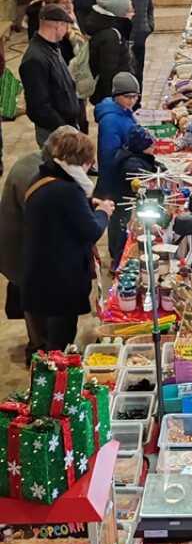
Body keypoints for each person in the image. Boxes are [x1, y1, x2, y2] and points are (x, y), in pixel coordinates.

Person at [23, 129, 114, 350]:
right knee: (60, 340)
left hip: (39, 274)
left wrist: (86, 207)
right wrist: (103, 212)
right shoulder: (67, 191)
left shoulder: (43, 178)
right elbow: (91, 230)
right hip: (59, 280)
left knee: (49, 335)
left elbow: (60, 216)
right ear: (82, 161)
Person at [0, 127, 76, 364]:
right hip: (23, 253)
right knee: (36, 305)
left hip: (27, 249)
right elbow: (48, 224)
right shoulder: (32, 176)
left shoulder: (38, 163)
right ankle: (41, 352)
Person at [24, 0, 90, 134]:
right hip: (60, 90)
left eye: (71, 1)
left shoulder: (68, 18)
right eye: (65, 2)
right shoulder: (44, 34)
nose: (69, 6)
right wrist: (64, 128)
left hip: (71, 82)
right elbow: (39, 106)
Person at [19, 4, 80, 146]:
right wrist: (64, 130)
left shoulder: (52, 47)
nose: (66, 32)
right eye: (66, 27)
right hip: (55, 134)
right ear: (58, 26)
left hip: (66, 128)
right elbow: (38, 108)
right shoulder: (34, 59)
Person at [104, 0, 158, 97]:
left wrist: (149, 26)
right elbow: (106, 10)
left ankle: (137, 104)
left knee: (138, 73)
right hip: (123, 41)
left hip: (140, 37)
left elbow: (149, 7)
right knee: (126, 75)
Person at [109, 125, 162, 268]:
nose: (154, 149)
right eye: (151, 146)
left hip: (124, 207)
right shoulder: (131, 165)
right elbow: (138, 179)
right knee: (124, 237)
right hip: (125, 209)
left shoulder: (135, 156)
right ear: (142, 147)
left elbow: (150, 165)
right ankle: (118, 263)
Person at [94, 72, 141, 205]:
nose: (132, 101)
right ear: (116, 96)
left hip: (121, 175)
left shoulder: (124, 111)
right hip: (114, 182)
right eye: (127, 97)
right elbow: (109, 157)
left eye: (135, 96)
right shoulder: (110, 120)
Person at [85, 0, 135, 105]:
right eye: (129, 11)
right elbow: (108, 72)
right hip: (113, 97)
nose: (133, 14)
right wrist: (114, 100)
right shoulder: (111, 36)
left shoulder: (111, 31)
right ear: (119, 13)